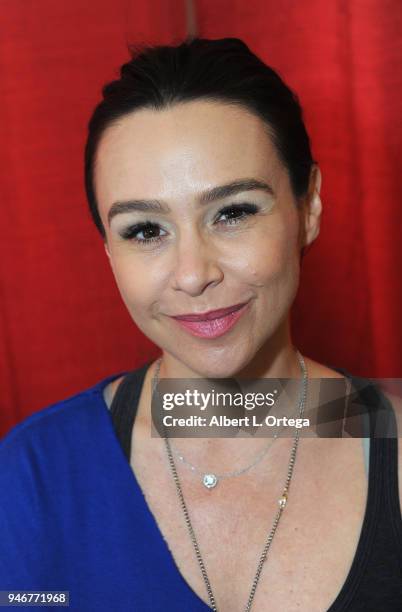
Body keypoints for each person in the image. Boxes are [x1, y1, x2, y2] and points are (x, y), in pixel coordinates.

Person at [0, 37, 401, 612]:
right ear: (107, 250)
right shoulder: (32, 480)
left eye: (233, 212)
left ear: (308, 206)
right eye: (144, 230)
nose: (192, 275)